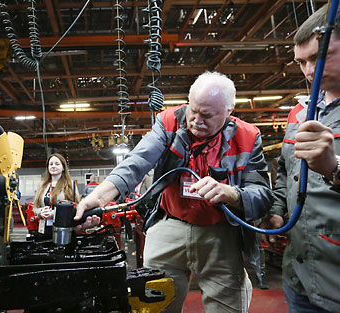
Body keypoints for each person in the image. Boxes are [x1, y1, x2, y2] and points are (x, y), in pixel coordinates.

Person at [76, 71, 273, 313]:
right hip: (169, 225)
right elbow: (137, 162)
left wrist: (230, 193)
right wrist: (98, 197)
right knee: (154, 304)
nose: (196, 120)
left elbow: (262, 195)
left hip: (220, 233)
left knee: (228, 306)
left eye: (207, 115)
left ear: (228, 111)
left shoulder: (248, 137)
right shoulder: (169, 121)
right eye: (193, 110)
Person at [260, 5, 340, 312]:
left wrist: (334, 168)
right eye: (300, 62)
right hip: (300, 277)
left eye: (318, 58)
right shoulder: (300, 111)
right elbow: (285, 174)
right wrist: (277, 210)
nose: (308, 70)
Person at [33, 153, 80, 235]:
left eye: (57, 164)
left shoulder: (71, 185)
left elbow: (76, 208)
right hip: (44, 229)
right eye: (51, 164)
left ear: (63, 168)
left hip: (63, 229)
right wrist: (41, 212)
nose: (53, 166)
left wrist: (53, 214)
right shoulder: (42, 185)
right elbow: (35, 207)